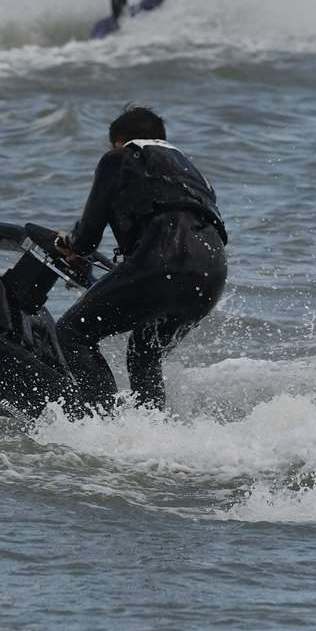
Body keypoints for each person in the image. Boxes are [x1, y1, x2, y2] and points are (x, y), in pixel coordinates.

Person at [54, 105, 228, 411]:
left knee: (71, 334)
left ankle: (102, 422)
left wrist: (70, 244)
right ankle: (150, 428)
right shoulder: (191, 173)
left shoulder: (120, 158)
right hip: (212, 275)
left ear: (119, 140)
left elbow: (87, 238)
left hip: (165, 261)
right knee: (145, 350)